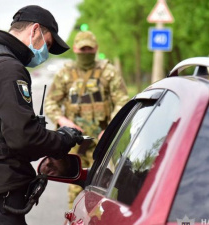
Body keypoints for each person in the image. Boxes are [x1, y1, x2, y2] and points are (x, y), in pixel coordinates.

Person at [0, 5, 83, 225]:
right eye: (48, 43)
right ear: (34, 30)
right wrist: (63, 139)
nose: (44, 53)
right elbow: (23, 136)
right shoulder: (7, 67)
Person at [45, 30, 129, 208]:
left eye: (89, 49)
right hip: (76, 146)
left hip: (104, 144)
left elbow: (122, 100)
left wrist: (110, 129)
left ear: (96, 49)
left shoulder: (108, 72)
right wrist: (63, 121)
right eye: (82, 49)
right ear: (75, 49)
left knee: (107, 190)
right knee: (76, 191)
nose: (86, 53)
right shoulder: (65, 74)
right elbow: (51, 102)